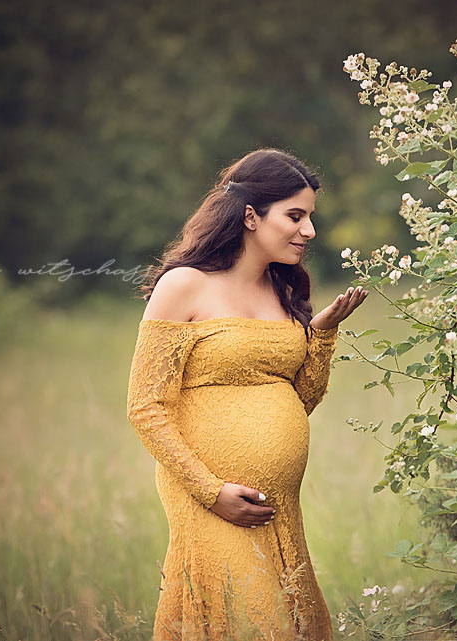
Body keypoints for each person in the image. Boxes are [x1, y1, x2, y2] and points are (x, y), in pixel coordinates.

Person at [126, 148, 367, 640]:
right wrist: (211, 492)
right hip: (209, 495)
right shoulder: (184, 286)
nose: (309, 231)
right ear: (252, 216)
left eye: (310, 218)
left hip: (278, 502)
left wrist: (319, 335)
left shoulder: (283, 292)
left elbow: (302, 401)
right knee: (250, 622)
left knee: (285, 624)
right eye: (295, 216)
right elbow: (144, 405)